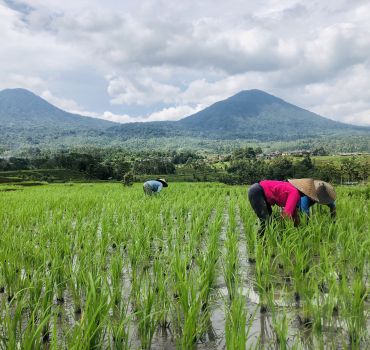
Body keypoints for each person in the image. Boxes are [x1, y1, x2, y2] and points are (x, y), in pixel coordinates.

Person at [248, 178, 334, 237]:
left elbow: (294, 214)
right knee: (266, 221)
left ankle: (266, 241)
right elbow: (285, 215)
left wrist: (300, 230)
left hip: (260, 192)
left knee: (270, 222)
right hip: (258, 192)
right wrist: (283, 234)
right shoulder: (294, 193)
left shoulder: (295, 193)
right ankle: (260, 243)